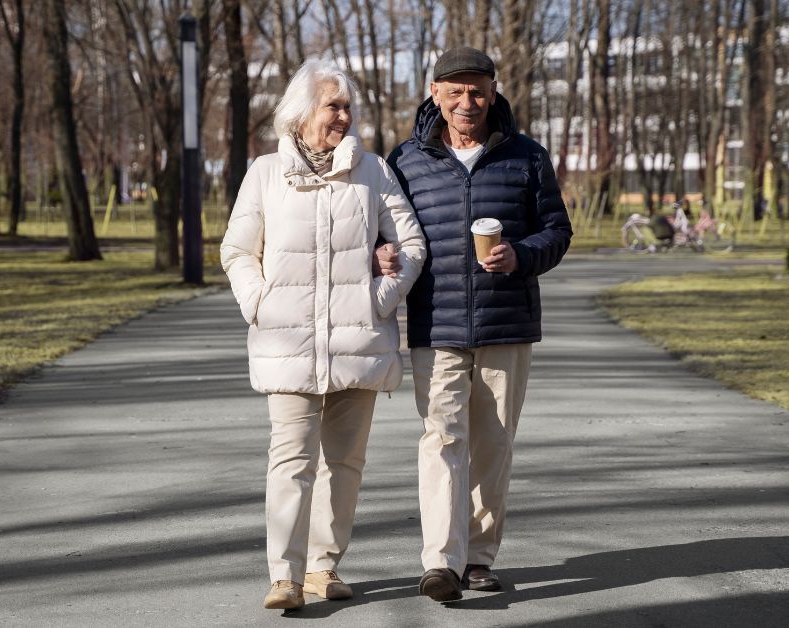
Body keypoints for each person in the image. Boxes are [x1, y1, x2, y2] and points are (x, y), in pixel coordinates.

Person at [221, 59, 425, 611]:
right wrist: (258, 303)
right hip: (286, 343)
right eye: (333, 105)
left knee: (346, 463)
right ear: (302, 111)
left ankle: (323, 568)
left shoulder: (373, 171)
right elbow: (238, 251)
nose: (344, 115)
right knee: (290, 460)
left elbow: (410, 245)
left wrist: (379, 298)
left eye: (347, 106)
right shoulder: (265, 173)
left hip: (357, 344)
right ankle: (283, 576)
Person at [383, 47, 572, 602]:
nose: (468, 101)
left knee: (492, 443)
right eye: (456, 91)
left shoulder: (527, 157)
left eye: (478, 90)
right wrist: (382, 255)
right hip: (434, 323)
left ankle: (479, 558)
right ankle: (441, 560)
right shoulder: (406, 160)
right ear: (435, 93)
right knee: (442, 438)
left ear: (494, 90)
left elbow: (556, 232)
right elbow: (384, 231)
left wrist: (521, 254)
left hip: (506, 323)